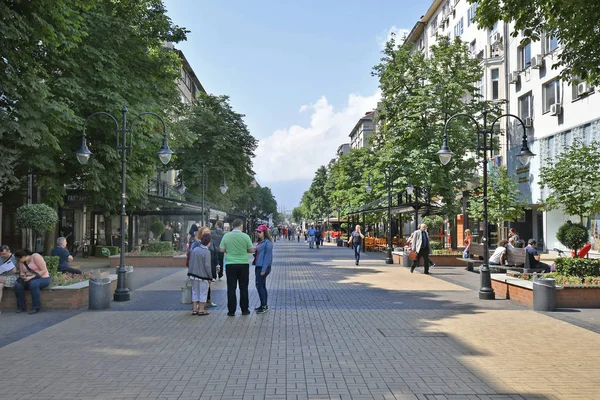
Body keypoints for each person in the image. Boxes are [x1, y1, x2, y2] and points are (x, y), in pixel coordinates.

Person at [219, 219, 255, 316]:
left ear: (232, 226)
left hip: (230, 264)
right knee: (243, 287)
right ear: (241, 226)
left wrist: (229, 250)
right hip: (243, 264)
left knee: (231, 288)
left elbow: (221, 249)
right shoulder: (245, 236)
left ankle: (231, 311)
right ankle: (244, 309)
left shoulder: (226, 236)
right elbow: (251, 250)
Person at [13, 249, 51, 314]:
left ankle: (36, 307)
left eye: (18, 260)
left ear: (23, 257)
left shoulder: (36, 257)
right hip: (28, 278)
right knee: (18, 286)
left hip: (42, 278)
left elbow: (44, 270)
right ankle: (21, 307)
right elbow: (22, 272)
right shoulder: (22, 262)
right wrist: (23, 276)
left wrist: (31, 277)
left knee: (33, 284)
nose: (18, 261)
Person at [187, 232, 213, 316]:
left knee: (195, 292)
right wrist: (210, 277)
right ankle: (201, 310)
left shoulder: (195, 250)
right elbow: (207, 266)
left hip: (193, 274)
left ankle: (195, 309)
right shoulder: (207, 252)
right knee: (203, 293)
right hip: (203, 276)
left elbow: (191, 262)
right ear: (209, 242)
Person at [192, 227, 219, 308]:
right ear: (201, 233)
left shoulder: (211, 242)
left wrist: (217, 264)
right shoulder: (197, 243)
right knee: (200, 287)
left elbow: (215, 253)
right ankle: (199, 305)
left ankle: (208, 300)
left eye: (208, 231)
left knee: (207, 285)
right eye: (204, 232)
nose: (206, 233)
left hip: (210, 266)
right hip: (201, 267)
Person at [253, 224, 273, 314]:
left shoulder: (267, 243)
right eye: (257, 232)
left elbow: (267, 257)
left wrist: (263, 269)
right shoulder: (261, 242)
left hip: (262, 267)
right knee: (261, 286)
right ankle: (263, 305)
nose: (258, 233)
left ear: (264, 232)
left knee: (260, 286)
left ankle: (264, 306)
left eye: (259, 232)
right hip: (259, 265)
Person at [0, 245, 18, 314]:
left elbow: (21, 270)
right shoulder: (0, 258)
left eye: (4, 254)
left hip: (13, 277)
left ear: (9, 251)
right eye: (1, 254)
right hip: (2, 277)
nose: (2, 256)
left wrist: (15, 271)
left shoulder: (15, 258)